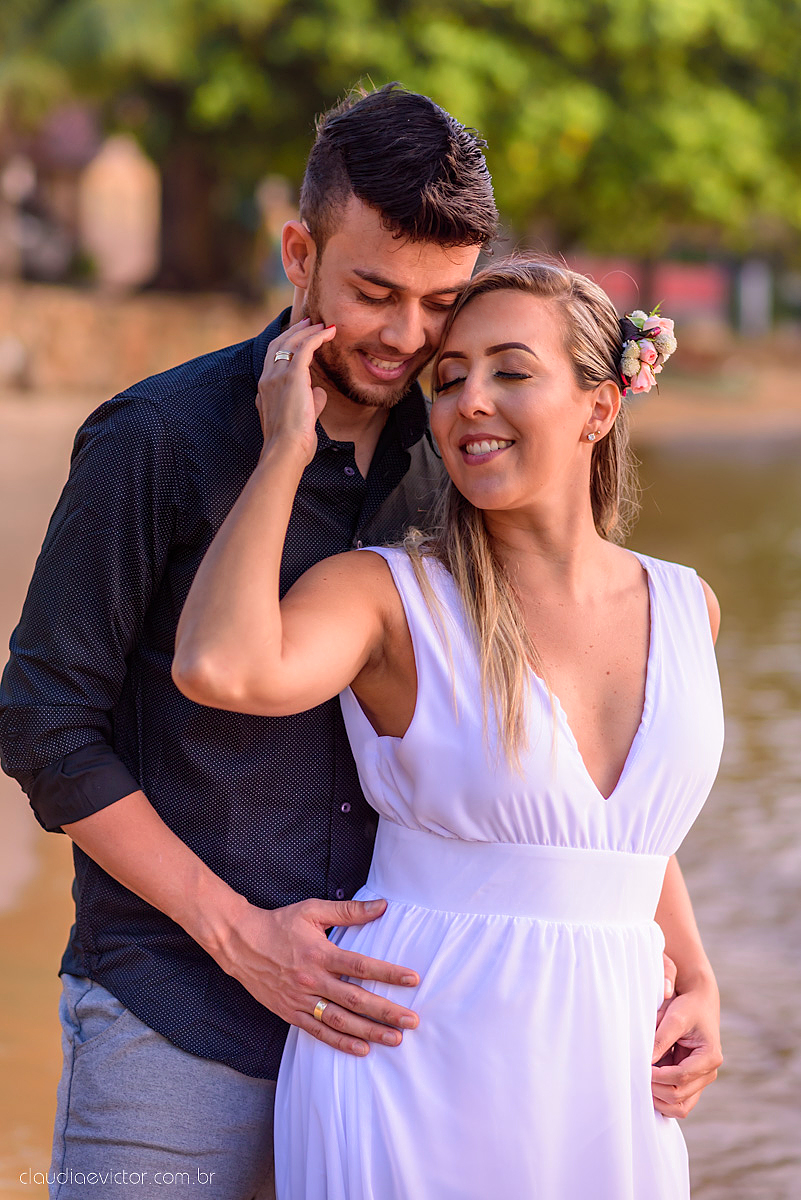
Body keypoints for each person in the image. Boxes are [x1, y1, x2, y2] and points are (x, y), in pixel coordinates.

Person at [0, 84, 495, 1200]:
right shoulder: (156, 439)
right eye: (375, 291)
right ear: (298, 252)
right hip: (175, 1008)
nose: (408, 337)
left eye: (442, 303)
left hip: (398, 1030)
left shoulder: (462, 460)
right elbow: (42, 722)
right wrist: (240, 936)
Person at [172, 257, 725, 1200]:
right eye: (448, 379)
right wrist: (283, 454)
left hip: (608, 1074)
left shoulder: (687, 606)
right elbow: (218, 666)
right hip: (413, 1061)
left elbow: (617, 833)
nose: (469, 401)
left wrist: (699, 980)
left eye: (510, 370)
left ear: (600, 407)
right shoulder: (387, 595)